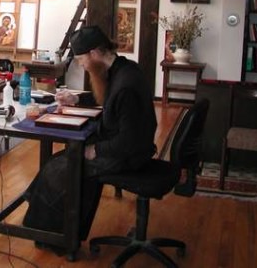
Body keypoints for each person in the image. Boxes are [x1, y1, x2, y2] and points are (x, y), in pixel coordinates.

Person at [22, 25, 158, 251]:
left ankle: (56, 239)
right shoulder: (123, 69)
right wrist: (77, 101)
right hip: (125, 148)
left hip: (129, 155)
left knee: (63, 168)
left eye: (82, 60)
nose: (83, 66)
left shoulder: (125, 85)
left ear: (94, 53)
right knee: (60, 161)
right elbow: (109, 104)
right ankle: (55, 226)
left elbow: (130, 140)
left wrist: (96, 150)